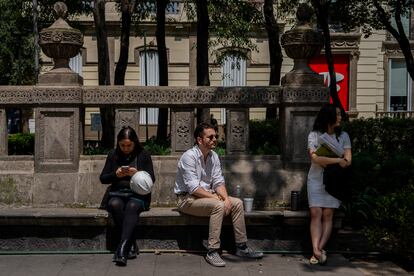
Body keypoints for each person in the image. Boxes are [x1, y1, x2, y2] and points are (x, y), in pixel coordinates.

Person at [174, 122, 263, 267]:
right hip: (186, 199)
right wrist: (218, 199)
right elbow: (193, 188)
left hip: (206, 196)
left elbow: (218, 182)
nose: (215, 139)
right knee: (218, 206)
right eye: (210, 137)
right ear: (199, 140)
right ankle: (212, 251)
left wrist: (226, 199)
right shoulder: (188, 157)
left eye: (215, 136)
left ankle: (241, 247)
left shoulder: (213, 156)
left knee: (237, 203)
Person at [100, 126, 155, 266]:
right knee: (114, 204)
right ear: (118, 143)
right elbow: (103, 178)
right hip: (118, 193)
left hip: (138, 195)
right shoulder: (113, 154)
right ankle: (130, 243)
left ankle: (122, 249)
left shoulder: (143, 154)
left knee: (132, 205)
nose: (125, 148)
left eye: (129, 145)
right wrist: (115, 175)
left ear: (135, 142)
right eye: (122, 145)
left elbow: (152, 179)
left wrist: (137, 174)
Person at [307, 104, 352, 265]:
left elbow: (348, 160)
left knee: (328, 214)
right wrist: (338, 160)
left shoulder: (344, 136)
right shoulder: (314, 136)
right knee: (315, 212)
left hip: (335, 181)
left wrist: (339, 161)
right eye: (338, 114)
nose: (340, 117)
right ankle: (318, 251)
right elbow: (315, 159)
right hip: (316, 179)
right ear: (329, 117)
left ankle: (317, 250)